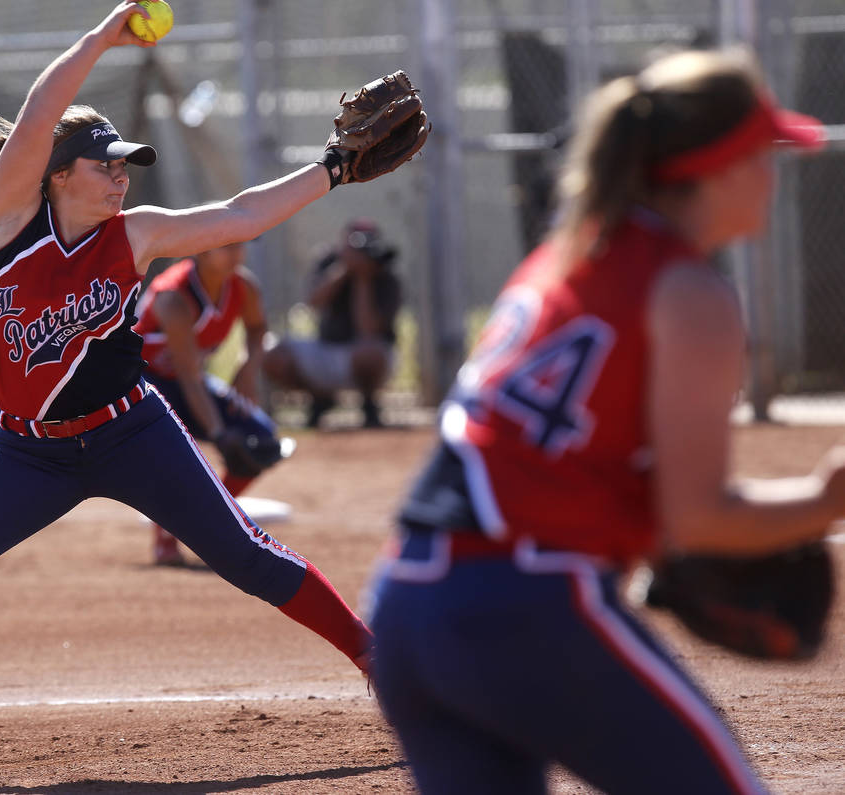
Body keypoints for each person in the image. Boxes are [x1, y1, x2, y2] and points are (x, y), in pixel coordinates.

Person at [0, 2, 398, 782]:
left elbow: (242, 213)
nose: (119, 175)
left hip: (131, 433)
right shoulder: (11, 221)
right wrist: (102, 37)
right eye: (104, 163)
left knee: (247, 556)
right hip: (30, 453)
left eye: (124, 164)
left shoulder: (137, 234)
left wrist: (334, 169)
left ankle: (379, 660)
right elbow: (43, 109)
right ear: (54, 173)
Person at [367, 47, 845, 795]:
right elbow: (698, 518)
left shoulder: (565, 258)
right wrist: (825, 498)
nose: (775, 175)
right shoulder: (689, 292)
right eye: (763, 153)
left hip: (407, 607)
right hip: (526, 608)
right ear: (715, 166)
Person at [133, 241, 291, 566]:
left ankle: (204, 520)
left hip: (186, 381)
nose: (236, 252)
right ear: (202, 250)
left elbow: (258, 328)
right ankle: (166, 536)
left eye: (239, 244)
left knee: (260, 441)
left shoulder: (243, 286)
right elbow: (190, 377)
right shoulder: (173, 297)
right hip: (140, 386)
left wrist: (248, 368)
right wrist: (218, 435)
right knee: (178, 454)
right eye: (226, 245)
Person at [263, 218, 401, 429]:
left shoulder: (386, 277)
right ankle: (320, 398)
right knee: (272, 353)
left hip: (364, 355)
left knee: (371, 352)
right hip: (325, 349)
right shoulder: (330, 263)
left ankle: (369, 404)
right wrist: (344, 269)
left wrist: (363, 280)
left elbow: (369, 330)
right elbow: (313, 303)